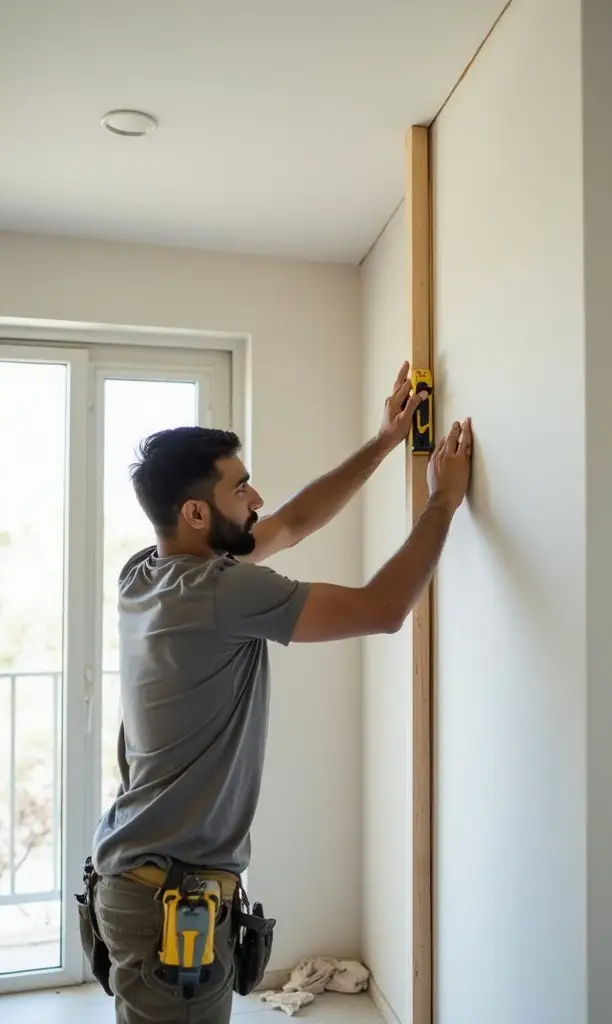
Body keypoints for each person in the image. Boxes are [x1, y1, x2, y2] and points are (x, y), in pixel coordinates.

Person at [89, 361, 472, 1023]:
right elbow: (383, 608)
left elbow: (293, 523)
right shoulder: (221, 592)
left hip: (134, 877)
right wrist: (442, 502)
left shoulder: (145, 574)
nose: (256, 498)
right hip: (165, 899)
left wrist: (384, 442)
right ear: (194, 511)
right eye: (241, 488)